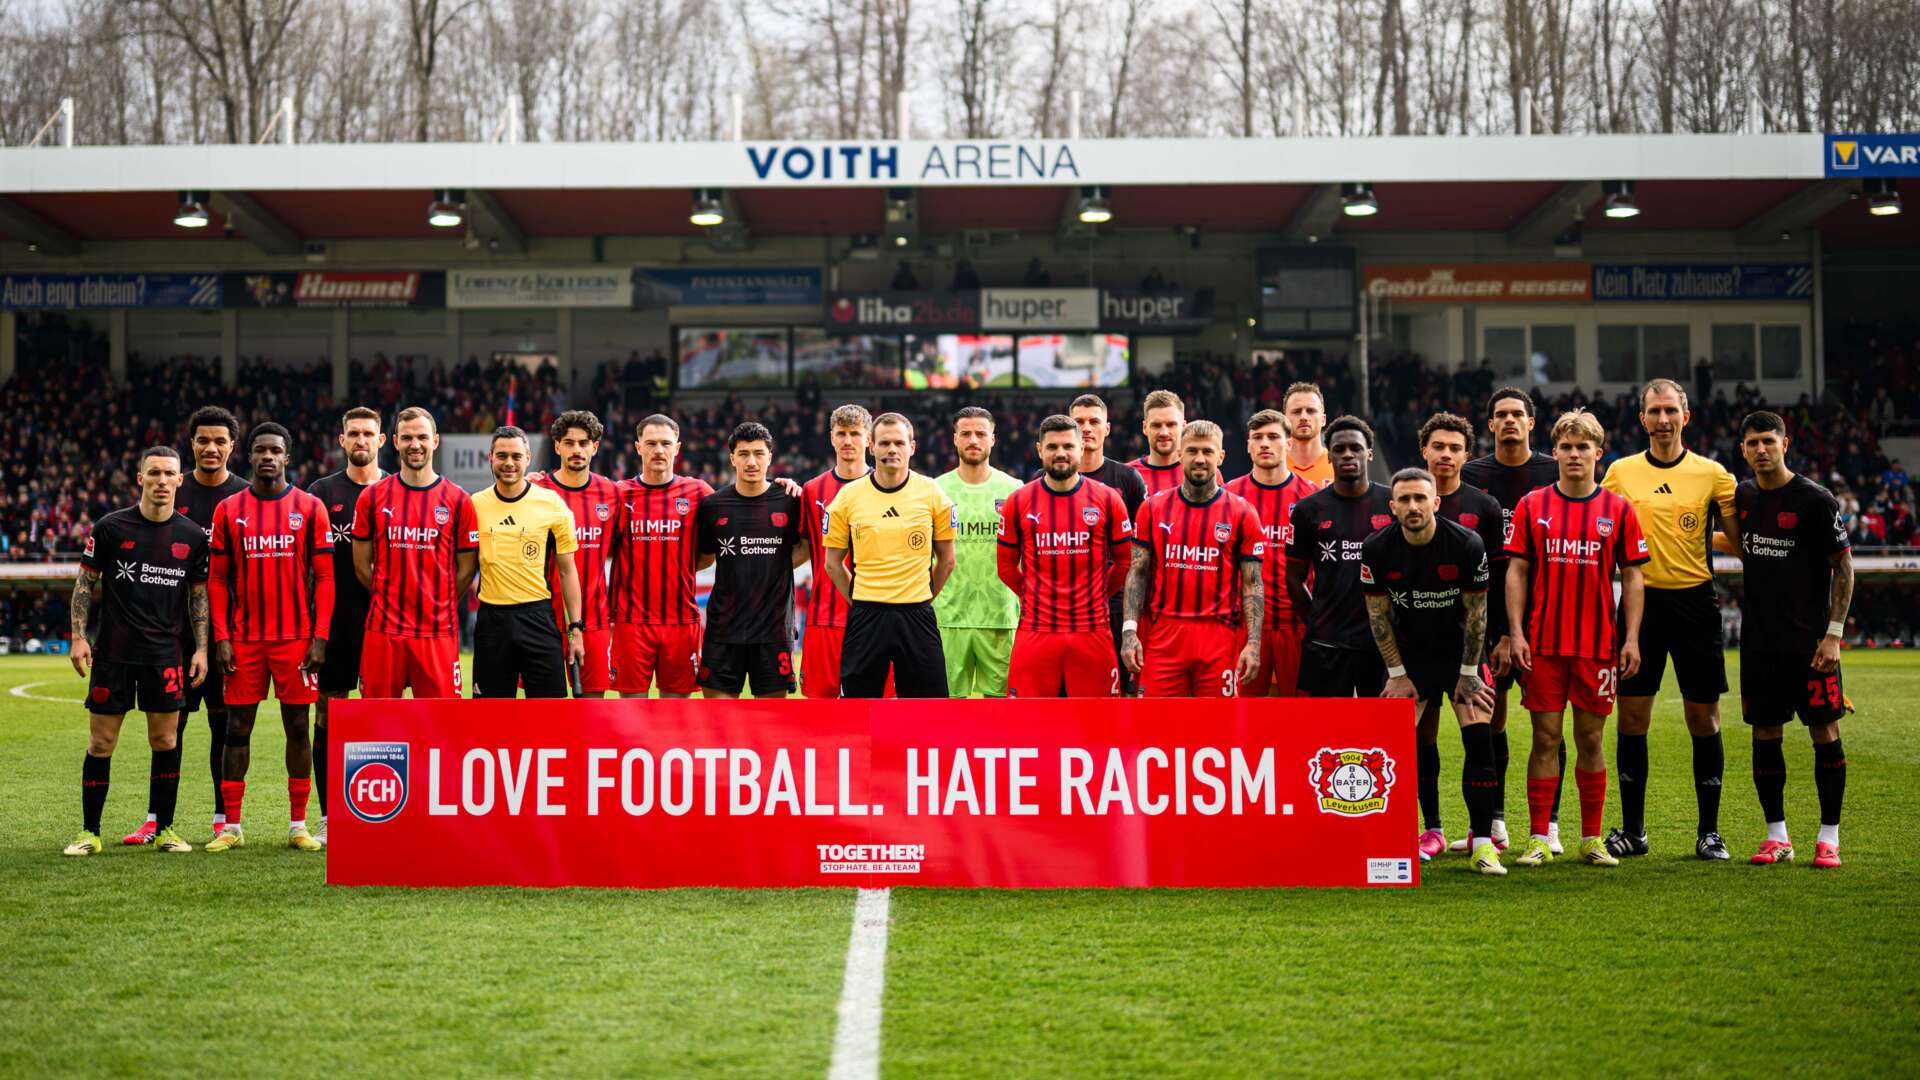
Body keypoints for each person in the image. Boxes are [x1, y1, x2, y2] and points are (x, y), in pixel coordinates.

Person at [1600, 378, 1742, 861]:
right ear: (1642, 418)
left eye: (1671, 411)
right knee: (1633, 716)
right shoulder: (1619, 473)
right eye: (1654, 411)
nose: (1663, 420)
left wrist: (1699, 539)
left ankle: (1709, 832)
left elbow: (1738, 540)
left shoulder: (1714, 475)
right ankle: (1635, 831)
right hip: (1641, 605)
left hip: (1696, 604)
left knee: (1702, 717)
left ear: (1687, 416)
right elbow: (1599, 527)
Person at [1505, 410, 1649, 868]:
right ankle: (1538, 837)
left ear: (1597, 454)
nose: (1573, 454)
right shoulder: (1532, 505)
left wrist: (1632, 639)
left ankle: (1591, 838)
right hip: (1544, 645)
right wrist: (1515, 632)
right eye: (1565, 447)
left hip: (1597, 647)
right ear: (1556, 453)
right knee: (1545, 739)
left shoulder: (1618, 509)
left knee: (1590, 740)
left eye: (1582, 447)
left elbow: (1633, 576)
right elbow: (1517, 571)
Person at [64, 446, 209, 856]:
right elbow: (84, 583)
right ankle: (89, 832)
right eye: (155, 473)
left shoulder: (193, 537)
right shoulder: (110, 528)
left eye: (170, 474)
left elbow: (198, 597)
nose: (162, 481)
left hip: (166, 655)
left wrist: (200, 648)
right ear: (140, 478)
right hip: (113, 653)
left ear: (181, 481)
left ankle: (165, 829)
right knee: (100, 744)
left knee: (166, 741)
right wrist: (78, 636)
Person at [1359, 467, 1501, 875]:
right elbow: (1378, 616)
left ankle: (1482, 843)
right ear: (1393, 507)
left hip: (1462, 653)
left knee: (1478, 736)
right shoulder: (1377, 548)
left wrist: (1470, 672)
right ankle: (1411, 835)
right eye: (1404, 500)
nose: (1413, 506)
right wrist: (1398, 673)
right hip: (1411, 657)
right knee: (1394, 746)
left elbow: (1478, 615)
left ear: (1435, 502)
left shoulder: (1466, 543)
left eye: (1421, 498)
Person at [204, 423, 334, 853]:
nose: (267, 457)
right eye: (260, 450)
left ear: (286, 457)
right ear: (249, 455)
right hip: (244, 640)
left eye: (275, 450)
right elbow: (218, 580)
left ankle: (298, 825)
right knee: (235, 728)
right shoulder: (228, 509)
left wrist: (320, 637)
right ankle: (232, 826)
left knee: (298, 727)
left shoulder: (310, 507)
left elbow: (325, 576)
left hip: (296, 639)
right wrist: (220, 637)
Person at [1732, 411, 1854, 868]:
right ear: (1742, 450)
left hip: (1810, 645)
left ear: (1786, 443)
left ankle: (1829, 837)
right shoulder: (1742, 497)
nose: (1760, 449)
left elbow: (1843, 567)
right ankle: (1776, 835)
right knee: (1765, 734)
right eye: (1752, 443)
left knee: (1824, 730)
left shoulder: (1815, 500)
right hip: (1759, 643)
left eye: (1768, 440)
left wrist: (1834, 635)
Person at [126, 406, 245, 844]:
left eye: (219, 441)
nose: (210, 448)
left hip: (226, 635)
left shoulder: (245, 498)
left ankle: (222, 817)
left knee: (225, 726)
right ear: (191, 444)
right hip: (171, 634)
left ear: (233, 446)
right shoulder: (174, 489)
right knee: (169, 728)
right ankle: (157, 817)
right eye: (202, 440)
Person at [1459, 387, 1564, 852]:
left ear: (1531, 422)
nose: (1509, 422)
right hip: (1488, 617)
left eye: (1517, 414)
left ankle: (1553, 825)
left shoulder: (1551, 471)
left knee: (1550, 723)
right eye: (1500, 415)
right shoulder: (1472, 475)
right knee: (1492, 719)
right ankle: (1496, 821)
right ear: (1490, 424)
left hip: (1546, 616)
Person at [1416, 412, 1508, 854]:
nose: (1446, 455)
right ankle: (1431, 828)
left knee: (1482, 731)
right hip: (1418, 645)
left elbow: (1503, 575)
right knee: (1423, 734)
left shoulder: (1485, 508)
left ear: (1467, 455)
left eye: (1455, 448)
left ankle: (1485, 830)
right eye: (1439, 446)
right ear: (1425, 451)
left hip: (1471, 644)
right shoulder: (1407, 500)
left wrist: (1505, 635)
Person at [1121, 420, 1263, 697]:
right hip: (1165, 635)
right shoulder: (1152, 508)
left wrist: (1254, 643)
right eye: (1193, 451)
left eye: (1208, 452)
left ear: (1220, 456)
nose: (1200, 459)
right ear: (1179, 455)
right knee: (1157, 730)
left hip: (1219, 635)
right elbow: (1138, 573)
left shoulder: (1242, 512)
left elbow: (1252, 583)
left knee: (1217, 731)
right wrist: (1130, 631)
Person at [823, 413, 957, 698]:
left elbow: (947, 560)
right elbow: (832, 564)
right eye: (884, 443)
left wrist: (922, 597)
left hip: (917, 614)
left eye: (899, 442)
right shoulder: (848, 497)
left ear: (912, 447)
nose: (892, 449)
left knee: (928, 708)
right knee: (859, 709)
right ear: (871, 446)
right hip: (866, 616)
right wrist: (860, 600)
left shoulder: (933, 493)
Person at [999, 415, 1133, 697]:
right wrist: (1035, 597)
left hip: (1092, 630)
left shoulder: (1108, 499)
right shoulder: (1019, 501)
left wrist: (1098, 595)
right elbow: (1006, 567)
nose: (1060, 453)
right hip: (1036, 630)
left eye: (1068, 446)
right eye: (1052, 447)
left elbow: (1124, 562)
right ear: (1039, 450)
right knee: (1029, 726)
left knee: (1098, 725)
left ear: (1080, 449)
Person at [351, 406, 479, 699]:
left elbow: (465, 569)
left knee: (441, 725)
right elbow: (361, 566)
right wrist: (389, 597)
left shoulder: (458, 500)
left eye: (422, 437)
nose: (415, 444)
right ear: (395, 442)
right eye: (407, 438)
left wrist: (438, 602)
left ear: (435, 441)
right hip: (384, 631)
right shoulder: (371, 497)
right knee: (378, 724)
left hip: (437, 631)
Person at [306, 406, 386, 845]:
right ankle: (329, 814)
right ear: (341, 441)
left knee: (382, 714)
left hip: (385, 623)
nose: (360, 440)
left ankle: (385, 809)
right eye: (353, 433)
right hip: (334, 625)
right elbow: (307, 567)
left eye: (368, 433)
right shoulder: (320, 493)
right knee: (328, 714)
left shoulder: (397, 490)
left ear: (381, 441)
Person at [695, 423, 809, 698]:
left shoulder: (791, 500)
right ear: (732, 458)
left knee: (771, 723)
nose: (751, 461)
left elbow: (805, 547)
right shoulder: (712, 506)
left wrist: (774, 564)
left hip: (773, 633)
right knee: (717, 723)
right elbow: (706, 558)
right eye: (743, 454)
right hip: (723, 631)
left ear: (770, 457)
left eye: (759, 453)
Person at [468, 426, 583, 699]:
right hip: (491, 622)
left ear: (528, 458)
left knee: (549, 716)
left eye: (517, 456)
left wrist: (576, 629)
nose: (509, 463)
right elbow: (464, 566)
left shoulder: (552, 504)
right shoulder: (474, 505)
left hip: (538, 620)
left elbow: (568, 571)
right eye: (502, 456)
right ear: (490, 458)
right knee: (489, 718)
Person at [1286, 416, 1393, 697]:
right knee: (1322, 732)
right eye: (1340, 448)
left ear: (1368, 454)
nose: (1348, 454)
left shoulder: (1393, 503)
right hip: (1327, 643)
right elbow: (1294, 579)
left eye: (1355, 448)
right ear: (1329, 456)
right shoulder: (1309, 510)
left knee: (1381, 732)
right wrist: (1315, 621)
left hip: (1382, 642)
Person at [609, 415, 712, 699]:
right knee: (631, 714)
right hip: (631, 623)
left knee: (675, 715)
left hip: (681, 622)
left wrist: (784, 487)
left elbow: (712, 549)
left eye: (665, 443)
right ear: (638, 447)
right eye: (651, 443)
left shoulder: (698, 492)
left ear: (677, 448)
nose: (659, 450)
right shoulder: (619, 494)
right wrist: (538, 480)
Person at [1224, 409, 1317, 696]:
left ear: (1289, 444)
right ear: (1248, 445)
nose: (1265, 443)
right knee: (1242, 720)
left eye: (1273, 437)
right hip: (1244, 628)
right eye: (1258, 438)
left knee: (1303, 719)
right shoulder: (1228, 497)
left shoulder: (1311, 497)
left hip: (1297, 625)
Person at [934, 407, 1022, 697]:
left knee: (1001, 717)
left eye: (980, 433)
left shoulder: (1014, 490)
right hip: (947, 619)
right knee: (945, 711)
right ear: (955, 439)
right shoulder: (936, 490)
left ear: (993, 439)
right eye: (966, 433)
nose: (974, 440)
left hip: (1000, 619)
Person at [534, 410, 619, 697]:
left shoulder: (611, 493)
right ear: (557, 446)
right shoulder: (536, 490)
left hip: (594, 620)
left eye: (584, 443)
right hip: (543, 619)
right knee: (545, 707)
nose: (576, 450)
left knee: (593, 708)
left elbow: (617, 548)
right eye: (569, 443)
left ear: (595, 447)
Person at [1070, 393, 1148, 694]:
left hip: (1115, 609)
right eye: (1079, 422)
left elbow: (1138, 555)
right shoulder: (1044, 478)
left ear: (1107, 428)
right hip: (1066, 610)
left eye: (1094, 421)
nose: (1087, 428)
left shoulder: (1128, 479)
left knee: (1117, 697)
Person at [800, 405, 873, 699]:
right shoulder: (811, 490)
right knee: (821, 709)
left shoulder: (887, 488)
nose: (847, 441)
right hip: (823, 618)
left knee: (876, 707)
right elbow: (801, 548)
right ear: (831, 438)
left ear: (868, 439)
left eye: (855, 434)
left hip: (875, 617)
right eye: (841, 434)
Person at [1130, 389, 1186, 497]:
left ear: (1183, 427)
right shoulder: (1126, 476)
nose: (1164, 433)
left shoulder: (1206, 473)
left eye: (1171, 424)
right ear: (1145, 428)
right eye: (1156, 425)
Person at [1282, 382, 1336, 485]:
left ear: (1323, 420)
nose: (1304, 417)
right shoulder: (1271, 467)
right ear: (1284, 420)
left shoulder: (1339, 466)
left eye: (1311, 411)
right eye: (1297, 411)